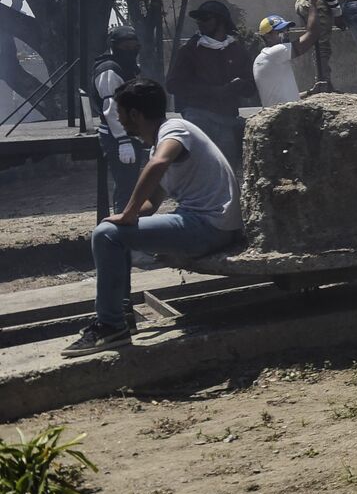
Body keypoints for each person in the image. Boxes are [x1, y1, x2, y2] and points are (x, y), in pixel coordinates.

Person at [62, 78, 243, 357]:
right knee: (112, 233)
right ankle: (121, 318)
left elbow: (158, 164)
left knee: (107, 236)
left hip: (209, 226)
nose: (119, 121)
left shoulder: (174, 130)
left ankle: (110, 326)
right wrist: (124, 217)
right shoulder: (161, 141)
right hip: (202, 224)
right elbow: (152, 203)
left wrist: (128, 214)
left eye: (121, 114)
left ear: (135, 114)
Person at [166, 0, 254, 169]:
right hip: (199, 117)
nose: (200, 23)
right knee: (202, 169)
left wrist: (240, 86)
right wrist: (214, 92)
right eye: (198, 19)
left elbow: (251, 88)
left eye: (205, 18)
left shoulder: (237, 50)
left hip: (227, 120)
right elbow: (173, 85)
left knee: (227, 170)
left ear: (220, 22)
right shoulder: (190, 50)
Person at [90, 26, 147, 214]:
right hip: (118, 138)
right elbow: (111, 109)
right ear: (115, 46)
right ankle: (123, 233)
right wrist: (123, 140)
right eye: (126, 46)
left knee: (132, 186)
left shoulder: (127, 67)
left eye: (134, 45)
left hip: (130, 135)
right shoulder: (109, 70)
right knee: (126, 189)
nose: (131, 49)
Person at [252, 0, 322, 106]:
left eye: (286, 30)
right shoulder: (275, 53)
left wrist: (309, 93)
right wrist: (313, 5)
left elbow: (281, 98)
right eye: (280, 31)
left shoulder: (262, 59)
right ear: (267, 36)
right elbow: (312, 34)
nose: (285, 34)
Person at [295, 0, 344, 92]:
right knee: (323, 46)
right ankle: (324, 83)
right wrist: (337, 13)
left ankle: (322, 81)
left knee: (316, 43)